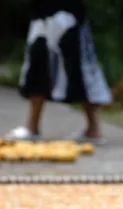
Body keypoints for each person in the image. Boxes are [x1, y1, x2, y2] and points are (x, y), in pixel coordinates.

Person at [7, 0, 112, 142]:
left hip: (68, 16)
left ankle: (93, 128)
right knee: (38, 66)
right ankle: (33, 127)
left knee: (78, 70)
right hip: (44, 15)